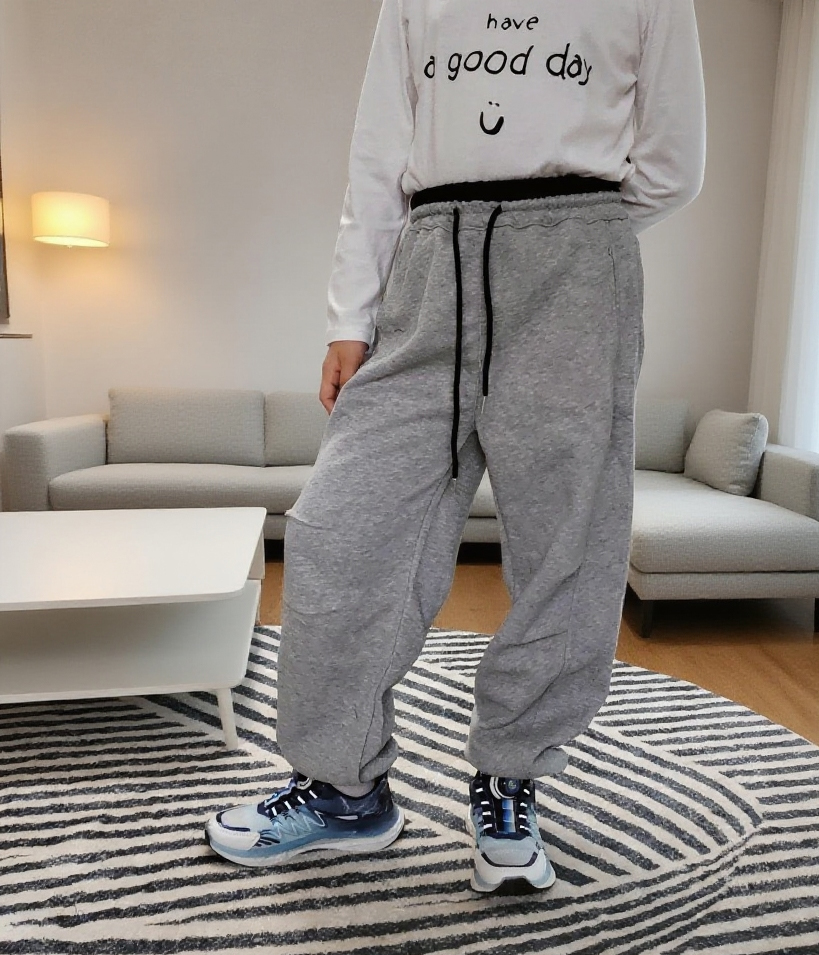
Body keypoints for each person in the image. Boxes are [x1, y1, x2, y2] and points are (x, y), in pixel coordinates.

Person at [206, 0, 705, 893]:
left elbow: (673, 164)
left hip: (574, 267)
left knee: (568, 544)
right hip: (429, 262)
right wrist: (350, 318)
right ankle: (344, 788)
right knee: (337, 529)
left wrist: (566, 234)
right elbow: (377, 158)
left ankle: (511, 774)